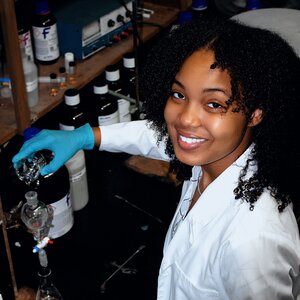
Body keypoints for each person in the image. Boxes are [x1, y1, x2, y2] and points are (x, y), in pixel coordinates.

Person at [12, 16, 300, 299]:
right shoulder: (214, 157)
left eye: (213, 104)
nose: (186, 118)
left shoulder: (252, 243)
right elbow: (158, 136)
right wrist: (85, 137)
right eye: (178, 95)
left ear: (255, 114)